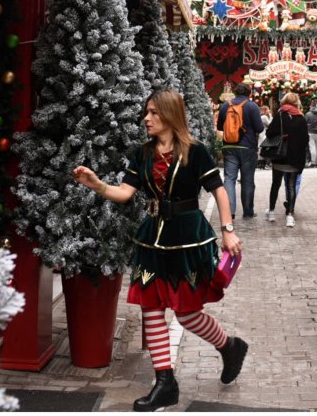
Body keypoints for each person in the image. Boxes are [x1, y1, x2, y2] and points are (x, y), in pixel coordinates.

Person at [73, 89, 247, 412]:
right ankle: (165, 382)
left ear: (168, 115)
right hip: (152, 239)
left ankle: (230, 346)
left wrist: (228, 230)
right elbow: (126, 192)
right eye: (146, 112)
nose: (147, 118)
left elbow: (219, 190)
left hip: (188, 239)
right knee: (151, 307)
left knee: (187, 313)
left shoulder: (195, 151)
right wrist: (97, 185)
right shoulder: (142, 153)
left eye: (153, 113)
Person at [216, 83, 264, 220]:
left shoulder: (225, 106)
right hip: (247, 148)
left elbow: (220, 127)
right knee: (247, 180)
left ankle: (229, 212)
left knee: (229, 179)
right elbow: (260, 128)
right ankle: (248, 212)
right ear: (249, 93)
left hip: (229, 147)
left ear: (235, 93)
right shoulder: (252, 106)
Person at [264, 92, 309, 227]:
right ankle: (289, 215)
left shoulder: (279, 115)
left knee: (275, 184)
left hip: (280, 156)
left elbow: (269, 133)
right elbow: (305, 140)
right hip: (294, 158)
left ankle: (271, 212)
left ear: (284, 102)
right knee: (291, 186)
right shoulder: (301, 118)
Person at [304, 100, 317, 167]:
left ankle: (313, 162)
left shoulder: (308, 114)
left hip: (310, 132)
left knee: (312, 148)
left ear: (310, 106)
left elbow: (304, 123)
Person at [257, 105, 272, 169]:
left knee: (261, 149)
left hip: (261, 135)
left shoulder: (261, 117)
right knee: (265, 149)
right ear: (265, 110)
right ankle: (265, 164)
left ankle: (261, 165)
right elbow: (270, 125)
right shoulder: (264, 117)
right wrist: (271, 117)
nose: (269, 111)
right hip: (264, 135)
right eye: (268, 109)